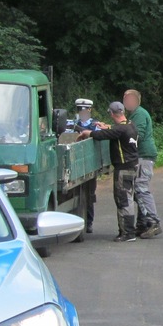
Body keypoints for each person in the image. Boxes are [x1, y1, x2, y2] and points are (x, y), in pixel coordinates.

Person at [78, 102, 139, 242]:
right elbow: (115, 130)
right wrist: (107, 127)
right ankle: (128, 230)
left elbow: (104, 135)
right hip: (133, 166)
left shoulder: (120, 130)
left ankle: (128, 233)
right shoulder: (130, 124)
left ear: (111, 113)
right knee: (127, 198)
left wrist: (89, 132)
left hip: (123, 168)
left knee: (123, 200)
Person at [123, 89, 161, 239]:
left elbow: (137, 134)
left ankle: (153, 221)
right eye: (125, 99)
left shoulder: (139, 114)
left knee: (141, 188)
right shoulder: (134, 114)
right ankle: (143, 223)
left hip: (144, 155)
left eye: (130, 99)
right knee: (137, 188)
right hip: (141, 155)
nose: (127, 102)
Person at [72, 99, 98, 234]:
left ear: (89, 110)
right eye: (80, 111)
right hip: (76, 164)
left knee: (89, 195)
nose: (82, 113)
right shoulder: (72, 124)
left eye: (85, 111)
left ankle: (89, 222)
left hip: (89, 164)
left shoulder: (95, 125)